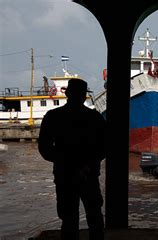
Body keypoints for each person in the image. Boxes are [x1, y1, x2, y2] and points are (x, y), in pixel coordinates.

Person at [38, 78, 105, 240]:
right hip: (89, 175)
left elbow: (44, 148)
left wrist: (64, 162)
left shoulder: (53, 116)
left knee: (68, 219)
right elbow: (105, 146)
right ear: (84, 96)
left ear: (67, 94)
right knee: (95, 216)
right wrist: (88, 165)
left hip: (64, 175)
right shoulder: (94, 117)